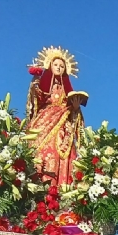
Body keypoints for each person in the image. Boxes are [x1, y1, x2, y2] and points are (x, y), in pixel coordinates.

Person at [25, 47, 86, 186]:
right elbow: (36, 100)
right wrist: (35, 84)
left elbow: (74, 116)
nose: (58, 68)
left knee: (62, 151)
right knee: (41, 148)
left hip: (63, 122)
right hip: (44, 119)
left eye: (62, 66)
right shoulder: (44, 85)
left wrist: (75, 107)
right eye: (56, 64)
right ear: (50, 66)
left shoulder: (66, 88)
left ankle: (59, 185)